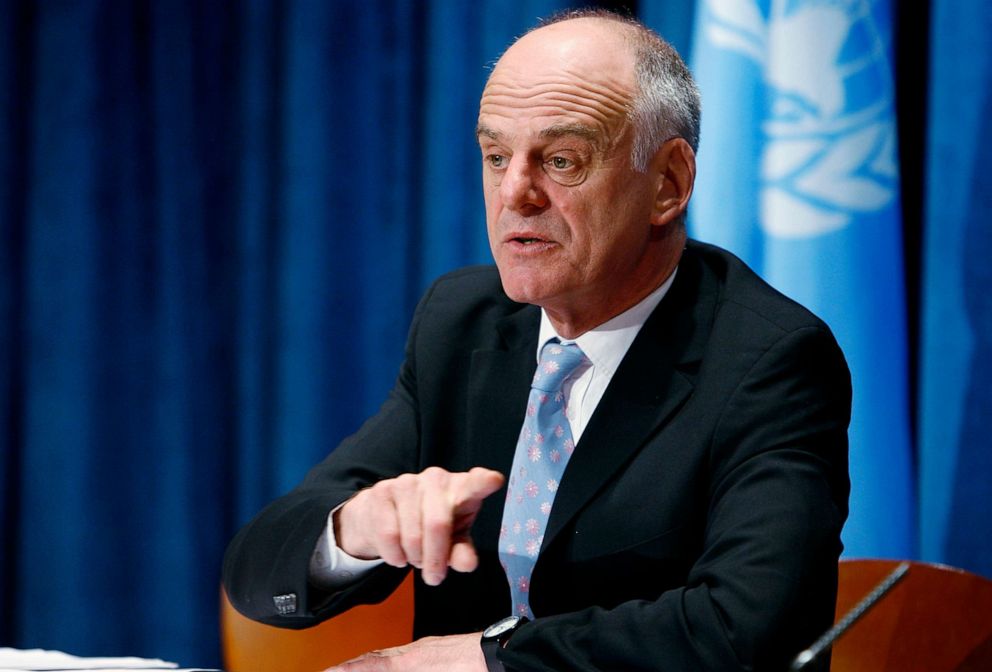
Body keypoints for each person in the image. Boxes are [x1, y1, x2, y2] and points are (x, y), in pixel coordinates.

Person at [223, 10, 851, 672]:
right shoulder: (462, 321)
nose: (514, 194)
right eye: (496, 157)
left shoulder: (768, 360)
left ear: (667, 183)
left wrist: (488, 661)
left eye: (561, 160)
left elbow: (745, 630)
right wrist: (355, 529)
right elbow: (258, 571)